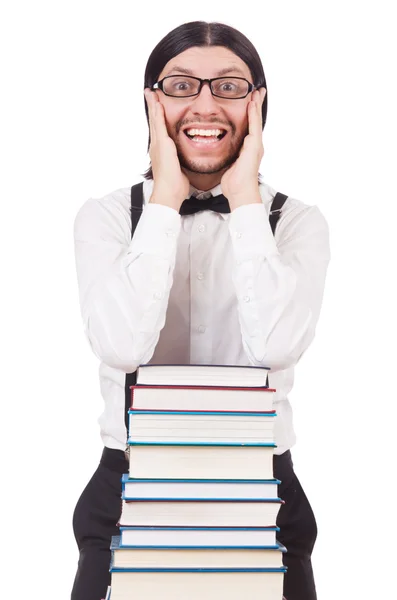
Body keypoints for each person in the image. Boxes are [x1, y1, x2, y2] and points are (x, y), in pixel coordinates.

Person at [71, 20, 330, 600]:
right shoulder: (107, 217)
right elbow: (121, 346)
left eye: (230, 87)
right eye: (182, 86)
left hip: (266, 493)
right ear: (151, 102)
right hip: (126, 492)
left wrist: (244, 200)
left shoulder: (298, 224)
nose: (206, 104)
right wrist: (165, 197)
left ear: (259, 105)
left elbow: (277, 345)